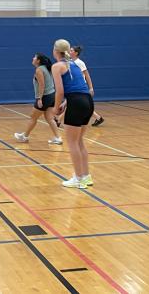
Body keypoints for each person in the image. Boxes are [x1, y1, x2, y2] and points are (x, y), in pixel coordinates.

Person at [51, 40, 93, 189]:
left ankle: (78, 178)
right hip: (87, 101)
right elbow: (79, 88)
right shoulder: (74, 64)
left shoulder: (57, 66)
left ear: (56, 51)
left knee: (73, 143)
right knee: (79, 141)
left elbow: (60, 91)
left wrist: (56, 108)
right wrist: (65, 103)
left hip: (76, 102)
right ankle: (86, 176)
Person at [14, 53, 62, 145]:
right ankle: (58, 138)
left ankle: (25, 136)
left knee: (33, 117)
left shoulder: (39, 70)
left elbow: (42, 85)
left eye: (35, 57)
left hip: (45, 97)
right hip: (52, 95)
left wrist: (39, 99)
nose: (33, 58)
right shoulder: (47, 68)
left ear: (38, 60)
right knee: (49, 118)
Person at [69, 45, 104, 126]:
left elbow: (87, 75)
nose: (69, 52)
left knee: (72, 103)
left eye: (71, 50)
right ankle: (98, 118)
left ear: (76, 53)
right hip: (73, 86)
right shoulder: (70, 62)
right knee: (75, 105)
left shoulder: (80, 63)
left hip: (80, 87)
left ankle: (58, 120)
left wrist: (91, 88)